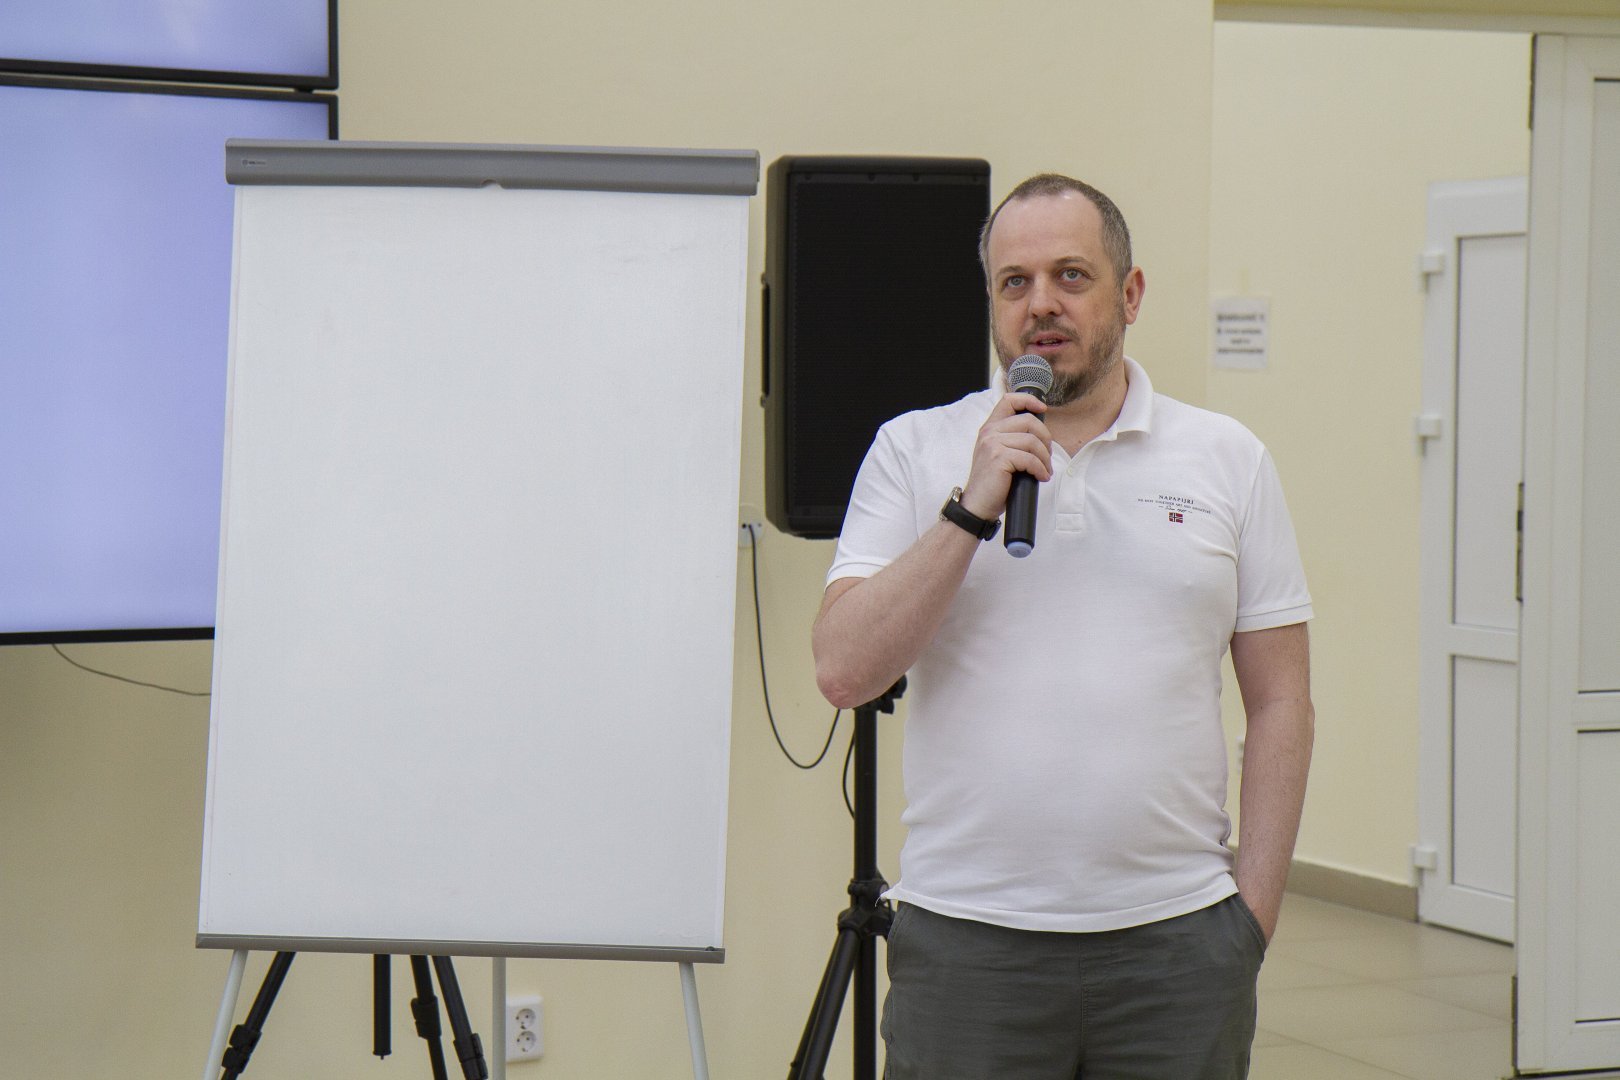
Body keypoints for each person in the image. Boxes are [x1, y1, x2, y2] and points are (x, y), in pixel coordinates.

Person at [812, 173, 1314, 1080]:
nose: (1041, 303)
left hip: (1179, 949)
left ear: (1130, 294)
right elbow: (845, 671)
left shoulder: (1228, 459)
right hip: (968, 949)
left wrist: (1251, 917)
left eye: (1071, 276)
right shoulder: (913, 450)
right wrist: (970, 509)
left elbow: (1281, 699)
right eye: (1015, 282)